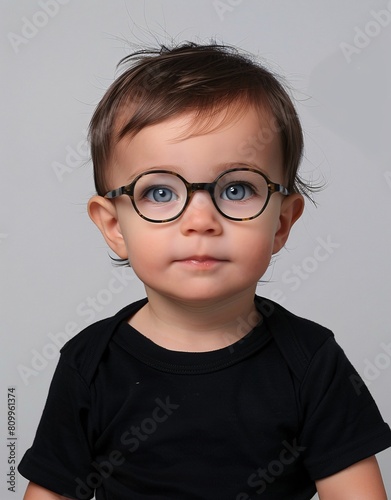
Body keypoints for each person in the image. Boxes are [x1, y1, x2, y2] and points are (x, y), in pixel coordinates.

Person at [19, 42, 391, 500]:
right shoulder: (89, 365)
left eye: (236, 189)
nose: (200, 220)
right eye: (159, 193)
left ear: (282, 222)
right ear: (114, 225)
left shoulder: (312, 362)